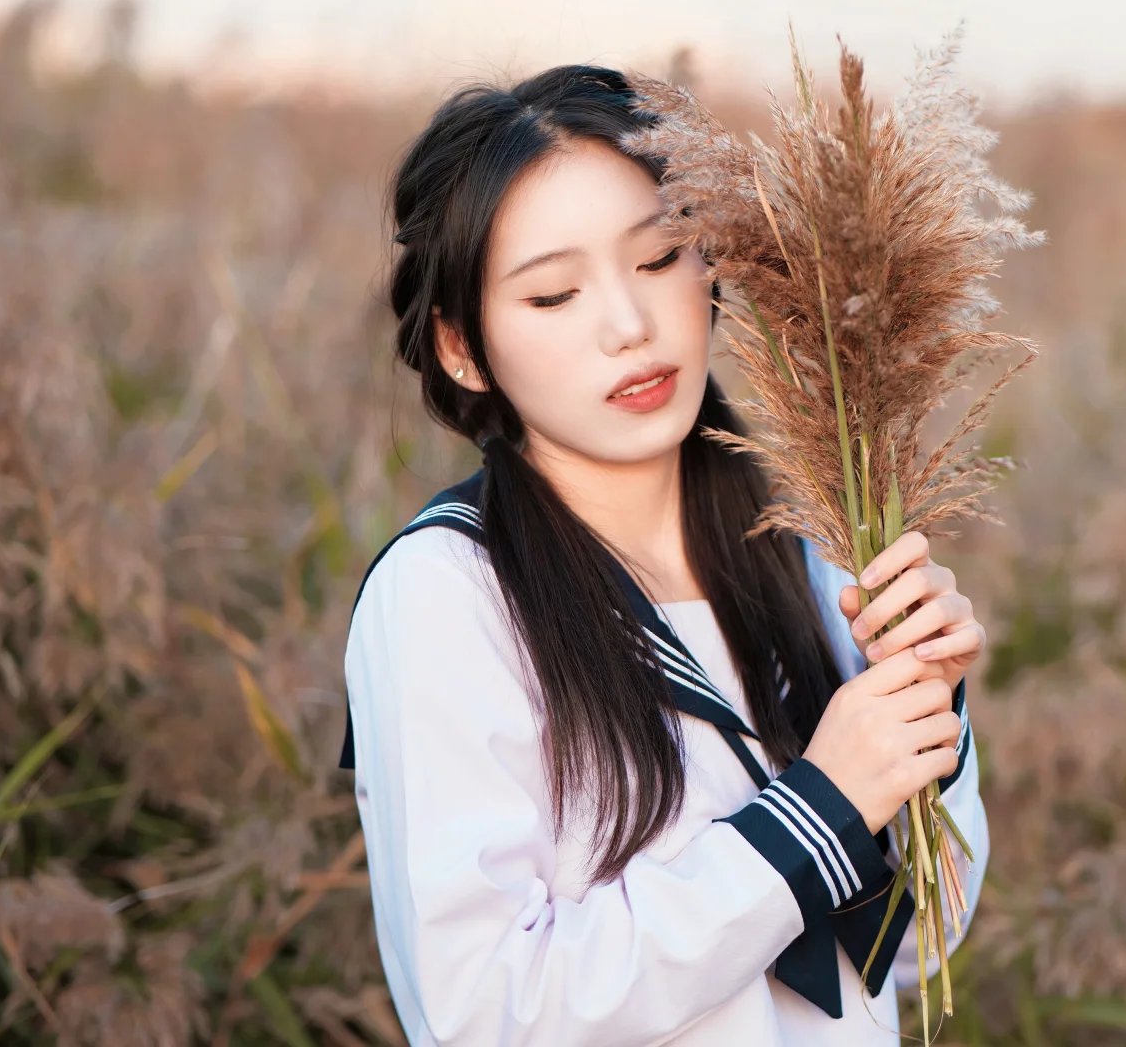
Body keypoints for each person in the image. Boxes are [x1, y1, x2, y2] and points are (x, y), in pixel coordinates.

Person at [339, 63, 990, 1046]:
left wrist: (928, 722)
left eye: (659, 259)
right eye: (554, 294)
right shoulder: (445, 596)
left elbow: (904, 952)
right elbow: (482, 1011)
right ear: (462, 347)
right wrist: (816, 808)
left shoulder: (812, 553)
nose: (630, 326)